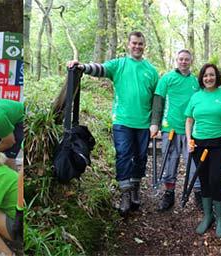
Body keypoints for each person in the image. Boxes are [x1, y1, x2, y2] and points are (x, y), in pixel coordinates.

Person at [67, 31, 161, 215]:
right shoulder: (119, 64)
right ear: (128, 44)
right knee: (124, 154)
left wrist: (155, 122)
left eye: (140, 44)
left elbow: (157, 99)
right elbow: (100, 69)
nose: (137, 46)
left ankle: (135, 189)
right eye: (134, 43)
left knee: (141, 157)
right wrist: (83, 67)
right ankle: (125, 193)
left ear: (144, 46)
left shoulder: (151, 70)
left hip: (143, 123)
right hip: (122, 121)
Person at [185, 63, 221, 238]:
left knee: (215, 179)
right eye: (205, 76)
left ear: (217, 76)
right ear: (201, 78)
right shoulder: (195, 97)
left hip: (220, 144)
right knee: (204, 180)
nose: (208, 78)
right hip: (199, 145)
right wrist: (189, 140)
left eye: (211, 75)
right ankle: (208, 216)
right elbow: (188, 120)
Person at [151, 49, 201, 212]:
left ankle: (198, 194)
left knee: (192, 163)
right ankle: (169, 194)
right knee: (170, 161)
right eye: (181, 59)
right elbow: (158, 102)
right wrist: (155, 123)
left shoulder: (196, 81)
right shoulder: (167, 78)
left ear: (191, 61)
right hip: (170, 128)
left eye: (187, 59)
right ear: (176, 60)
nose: (184, 62)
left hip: (190, 130)